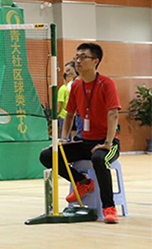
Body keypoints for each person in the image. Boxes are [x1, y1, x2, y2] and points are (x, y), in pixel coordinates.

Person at [39, 43, 122, 224]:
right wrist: (62, 139)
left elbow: (113, 113)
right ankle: (83, 182)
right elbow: (69, 114)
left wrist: (108, 142)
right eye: (77, 56)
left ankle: (109, 207)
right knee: (47, 155)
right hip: (85, 142)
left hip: (108, 143)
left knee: (99, 159)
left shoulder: (106, 83)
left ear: (95, 61)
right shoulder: (76, 86)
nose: (78, 60)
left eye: (83, 57)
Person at [57, 61, 78, 138]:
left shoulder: (65, 88)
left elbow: (60, 103)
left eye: (69, 70)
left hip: (75, 115)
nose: (67, 73)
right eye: (66, 71)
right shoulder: (69, 86)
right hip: (68, 115)